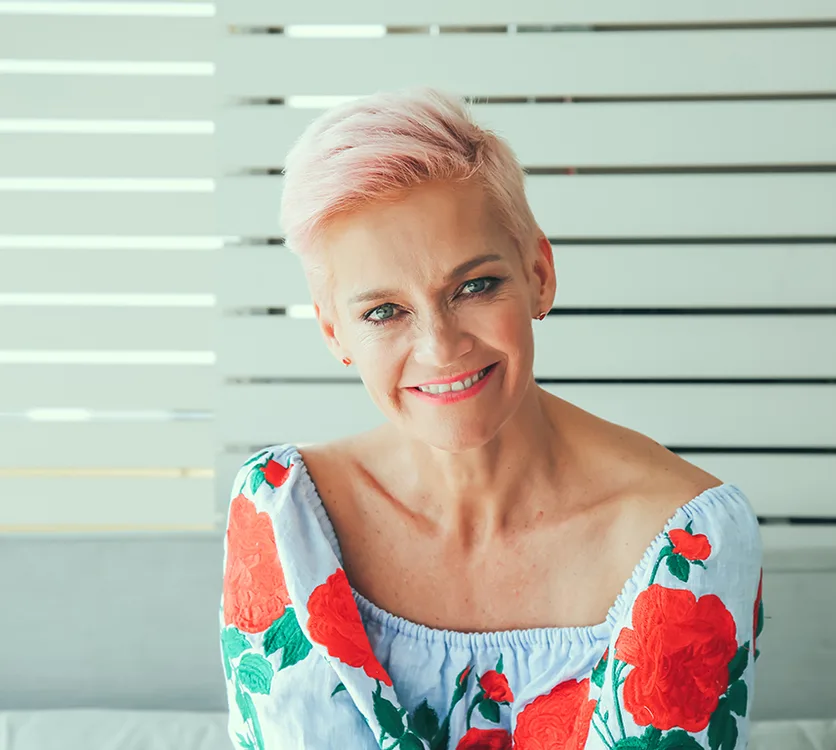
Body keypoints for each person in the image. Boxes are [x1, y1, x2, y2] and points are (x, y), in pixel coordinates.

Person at [218, 87, 764, 750]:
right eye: (384, 312)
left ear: (539, 274)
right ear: (335, 332)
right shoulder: (284, 518)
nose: (441, 348)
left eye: (474, 286)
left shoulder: (685, 538)